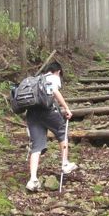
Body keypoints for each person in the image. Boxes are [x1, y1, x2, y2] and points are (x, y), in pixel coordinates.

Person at [25, 61, 77, 191]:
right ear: (58, 71)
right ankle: (65, 164)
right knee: (62, 133)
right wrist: (67, 109)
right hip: (48, 111)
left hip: (32, 114)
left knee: (36, 146)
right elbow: (55, 92)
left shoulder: (37, 79)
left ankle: (33, 180)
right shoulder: (53, 78)